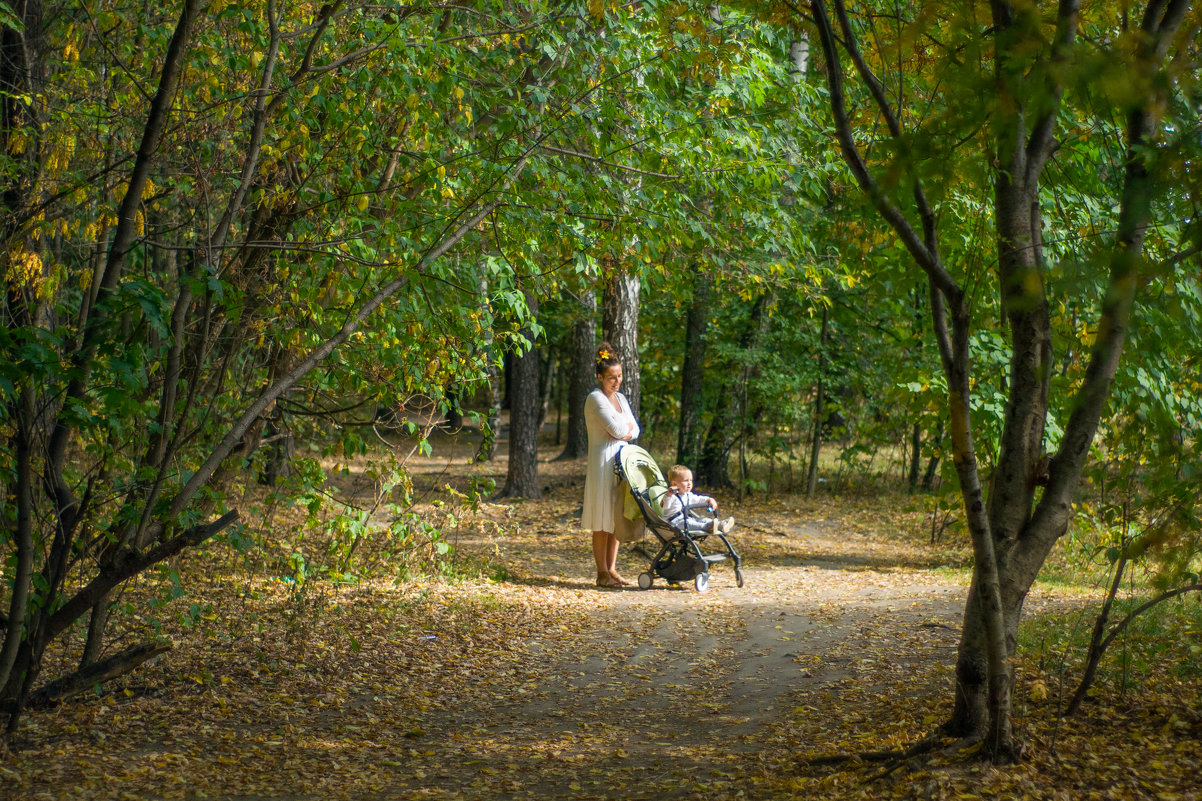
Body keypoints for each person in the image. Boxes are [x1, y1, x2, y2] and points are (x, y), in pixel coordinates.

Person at [582, 343, 639, 588]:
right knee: (601, 520)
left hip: (621, 463)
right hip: (602, 464)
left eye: (619, 377)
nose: (616, 382)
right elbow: (618, 429)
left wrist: (624, 432)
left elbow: (635, 430)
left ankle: (613, 568)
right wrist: (623, 430)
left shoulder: (622, 399)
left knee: (615, 518)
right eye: (611, 378)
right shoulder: (595, 399)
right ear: (599, 377)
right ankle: (601, 573)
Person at [661, 464, 735, 535]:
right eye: (686, 481)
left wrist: (709, 499)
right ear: (674, 484)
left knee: (704, 520)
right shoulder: (671, 497)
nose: (689, 483)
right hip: (674, 523)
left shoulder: (688, 495)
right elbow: (665, 506)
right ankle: (708, 527)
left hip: (686, 519)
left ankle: (720, 525)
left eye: (691, 480)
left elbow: (699, 499)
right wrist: (668, 494)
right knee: (691, 523)